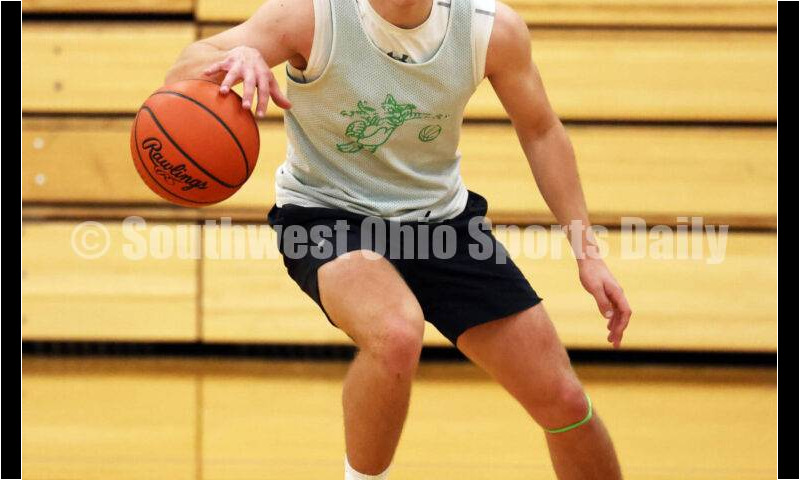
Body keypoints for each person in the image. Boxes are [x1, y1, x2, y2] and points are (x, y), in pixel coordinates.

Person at [166, 0, 632, 478]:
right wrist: (233, 58)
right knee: (395, 332)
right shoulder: (311, 15)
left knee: (565, 400)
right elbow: (182, 70)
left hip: (443, 224)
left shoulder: (490, 29)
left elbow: (541, 131)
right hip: (327, 216)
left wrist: (588, 254)